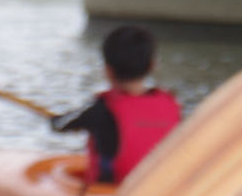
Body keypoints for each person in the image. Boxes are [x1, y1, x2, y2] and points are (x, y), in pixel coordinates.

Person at [50, 24, 182, 187]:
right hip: (158, 190)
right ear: (151, 66)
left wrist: (56, 120)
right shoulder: (171, 105)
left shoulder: (101, 109)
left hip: (110, 191)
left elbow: (60, 125)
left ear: (108, 70)